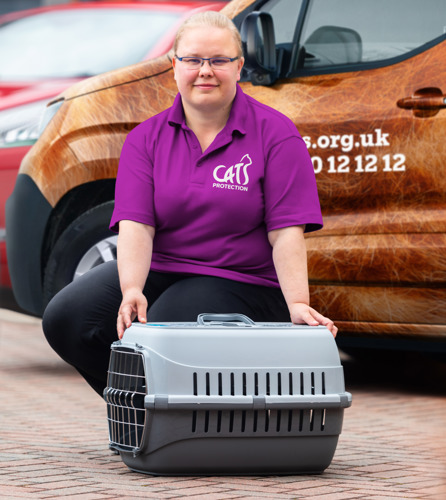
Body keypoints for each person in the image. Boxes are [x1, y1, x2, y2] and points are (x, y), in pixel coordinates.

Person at [42, 11, 337, 398]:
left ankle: (190, 425)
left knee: (161, 335)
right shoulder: (145, 139)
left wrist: (297, 303)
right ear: (175, 66)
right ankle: (145, 417)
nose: (205, 71)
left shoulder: (276, 134)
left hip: (241, 279)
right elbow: (137, 225)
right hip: (164, 269)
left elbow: (285, 233)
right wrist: (131, 288)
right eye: (193, 60)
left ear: (239, 66)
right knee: (68, 318)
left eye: (219, 60)